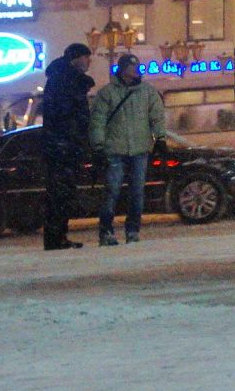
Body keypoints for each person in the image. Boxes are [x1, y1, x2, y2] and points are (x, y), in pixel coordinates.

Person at [90, 53, 166, 246]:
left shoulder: (148, 92)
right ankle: (106, 231)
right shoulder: (107, 93)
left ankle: (133, 230)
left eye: (136, 67)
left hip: (140, 149)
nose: (135, 70)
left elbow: (157, 116)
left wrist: (161, 138)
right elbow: (97, 121)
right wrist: (98, 146)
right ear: (122, 70)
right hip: (114, 149)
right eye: (131, 67)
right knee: (112, 191)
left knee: (137, 192)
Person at [40, 43, 94, 250]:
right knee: (60, 193)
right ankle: (55, 238)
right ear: (75, 59)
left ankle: (58, 236)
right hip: (62, 147)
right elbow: (66, 114)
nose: (89, 62)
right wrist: (71, 138)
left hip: (62, 145)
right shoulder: (65, 81)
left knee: (62, 193)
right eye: (86, 57)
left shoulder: (61, 79)